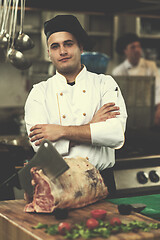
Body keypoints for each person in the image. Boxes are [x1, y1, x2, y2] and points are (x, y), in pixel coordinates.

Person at [24, 15, 127, 197]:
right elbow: (41, 148)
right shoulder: (39, 92)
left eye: (68, 44)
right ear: (49, 53)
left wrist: (61, 132)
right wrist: (93, 128)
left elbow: (115, 134)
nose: (62, 51)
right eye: (55, 46)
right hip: (58, 183)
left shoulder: (105, 84)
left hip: (101, 180)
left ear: (80, 47)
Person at [112, 32, 160, 126]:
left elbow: (158, 87)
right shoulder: (118, 71)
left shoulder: (150, 66)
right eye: (133, 47)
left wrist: (158, 109)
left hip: (148, 110)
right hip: (127, 112)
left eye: (138, 46)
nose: (137, 50)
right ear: (125, 50)